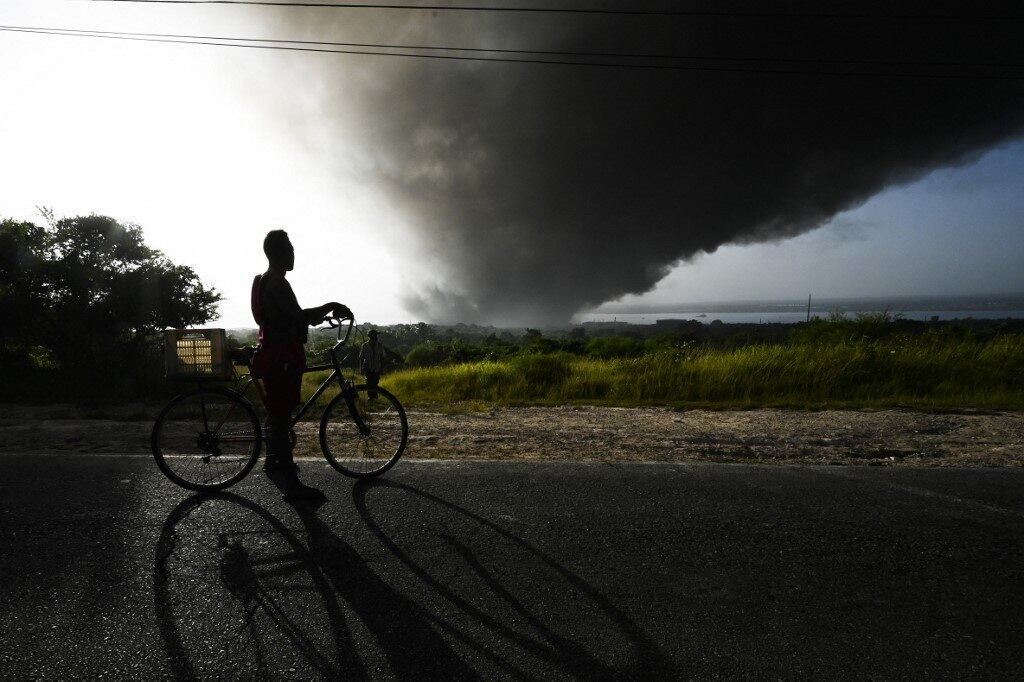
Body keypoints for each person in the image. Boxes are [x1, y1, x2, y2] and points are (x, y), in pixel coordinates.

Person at [251, 229, 350, 501]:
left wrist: (318, 314)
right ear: (281, 252)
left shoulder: (264, 280)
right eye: (291, 249)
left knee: (277, 413)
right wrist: (332, 305)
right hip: (282, 358)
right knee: (282, 417)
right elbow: (298, 317)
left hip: (272, 353)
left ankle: (273, 461)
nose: (294, 254)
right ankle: (292, 487)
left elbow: (293, 318)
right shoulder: (278, 284)